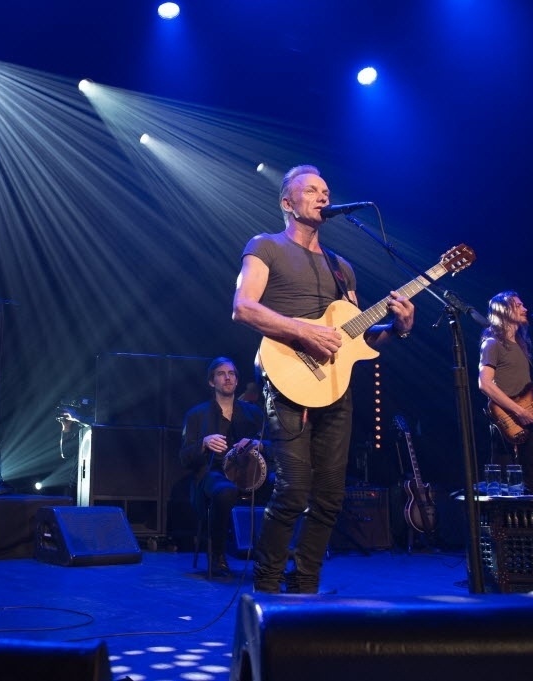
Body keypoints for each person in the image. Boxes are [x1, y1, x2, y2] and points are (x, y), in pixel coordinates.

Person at [232, 164, 415, 594]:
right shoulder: (265, 246)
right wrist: (302, 330)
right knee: (294, 491)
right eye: (311, 190)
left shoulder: (341, 268)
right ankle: (267, 581)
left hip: (334, 384)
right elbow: (242, 307)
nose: (322, 196)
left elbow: (357, 337)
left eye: (326, 191)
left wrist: (398, 328)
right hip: (284, 372)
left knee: (331, 495)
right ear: (287, 203)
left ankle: (305, 583)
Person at [179, 357, 265, 577]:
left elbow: (275, 444)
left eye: (232, 374)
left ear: (237, 380)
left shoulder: (253, 412)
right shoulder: (197, 415)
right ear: (211, 382)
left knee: (284, 486)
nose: (227, 377)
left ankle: (271, 558)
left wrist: (257, 444)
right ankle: (217, 554)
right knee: (225, 491)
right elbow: (184, 458)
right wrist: (204, 443)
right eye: (221, 373)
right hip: (212, 474)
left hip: (250, 473)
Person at [477, 291, 533, 495]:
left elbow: (523, 393)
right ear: (503, 310)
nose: (525, 308)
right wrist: (518, 411)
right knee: (502, 485)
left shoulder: (521, 345)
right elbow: (485, 384)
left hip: (526, 420)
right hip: (505, 422)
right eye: (518, 305)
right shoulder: (492, 343)